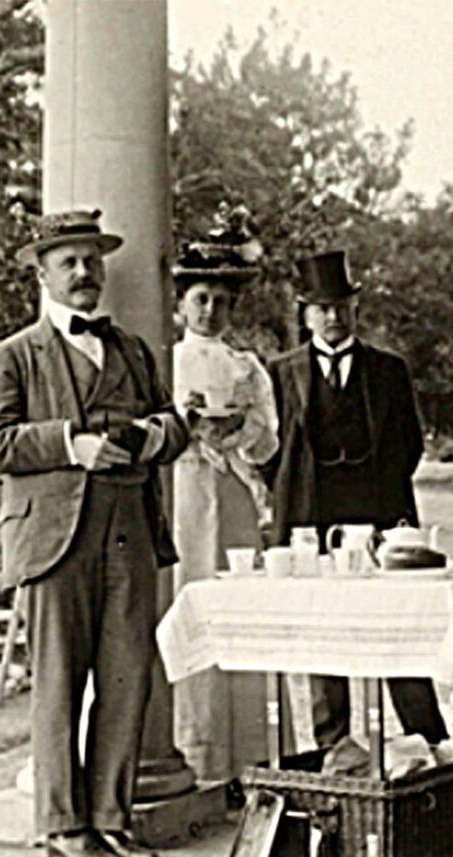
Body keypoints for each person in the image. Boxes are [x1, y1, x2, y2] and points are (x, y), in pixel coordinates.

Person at [0, 209, 188, 857]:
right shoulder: (16, 354)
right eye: (68, 260)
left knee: (128, 681)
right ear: (42, 274)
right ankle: (64, 827)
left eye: (92, 259)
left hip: (129, 535)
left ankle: (111, 821)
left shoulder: (131, 349)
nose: (84, 271)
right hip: (52, 539)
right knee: (60, 685)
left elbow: (174, 425)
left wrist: (153, 437)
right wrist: (71, 443)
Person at [263, 250, 448, 748]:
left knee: (397, 633)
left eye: (342, 306)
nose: (333, 316)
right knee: (327, 638)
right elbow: (267, 448)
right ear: (306, 314)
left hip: (380, 516)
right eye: (322, 308)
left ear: (356, 308)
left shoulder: (388, 369)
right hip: (311, 518)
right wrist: (292, 494)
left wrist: (382, 502)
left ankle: (429, 745)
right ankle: (335, 752)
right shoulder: (281, 372)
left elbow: (410, 442)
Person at [171, 210, 279, 781]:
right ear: (182, 305)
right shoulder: (167, 360)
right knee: (188, 599)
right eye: (200, 299)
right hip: (183, 492)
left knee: (235, 609)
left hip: (233, 493)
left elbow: (267, 443)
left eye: (220, 301)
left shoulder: (247, 366)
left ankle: (242, 760)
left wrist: (241, 428)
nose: (210, 310)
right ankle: (193, 750)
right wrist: (184, 422)